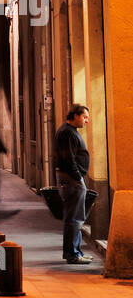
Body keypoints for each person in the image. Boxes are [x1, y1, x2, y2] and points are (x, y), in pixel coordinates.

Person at [54, 104, 93, 265]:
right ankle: (73, 254)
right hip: (72, 179)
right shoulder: (67, 133)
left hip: (72, 178)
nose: (87, 121)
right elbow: (69, 158)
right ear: (75, 116)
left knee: (76, 217)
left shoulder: (68, 132)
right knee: (75, 217)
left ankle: (75, 252)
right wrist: (77, 177)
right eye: (85, 117)